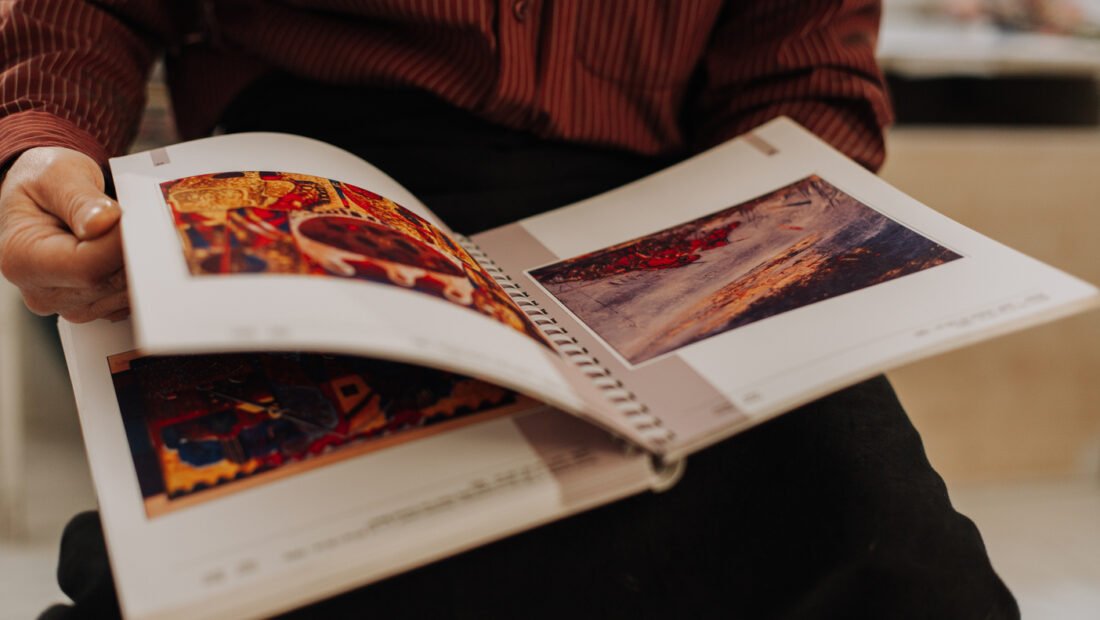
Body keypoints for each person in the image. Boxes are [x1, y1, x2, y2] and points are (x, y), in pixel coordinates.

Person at [0, 1, 1019, 618]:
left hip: (667, 212)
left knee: (897, 565)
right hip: (319, 191)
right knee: (233, 565)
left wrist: (773, 227)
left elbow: (803, 68)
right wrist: (47, 141)